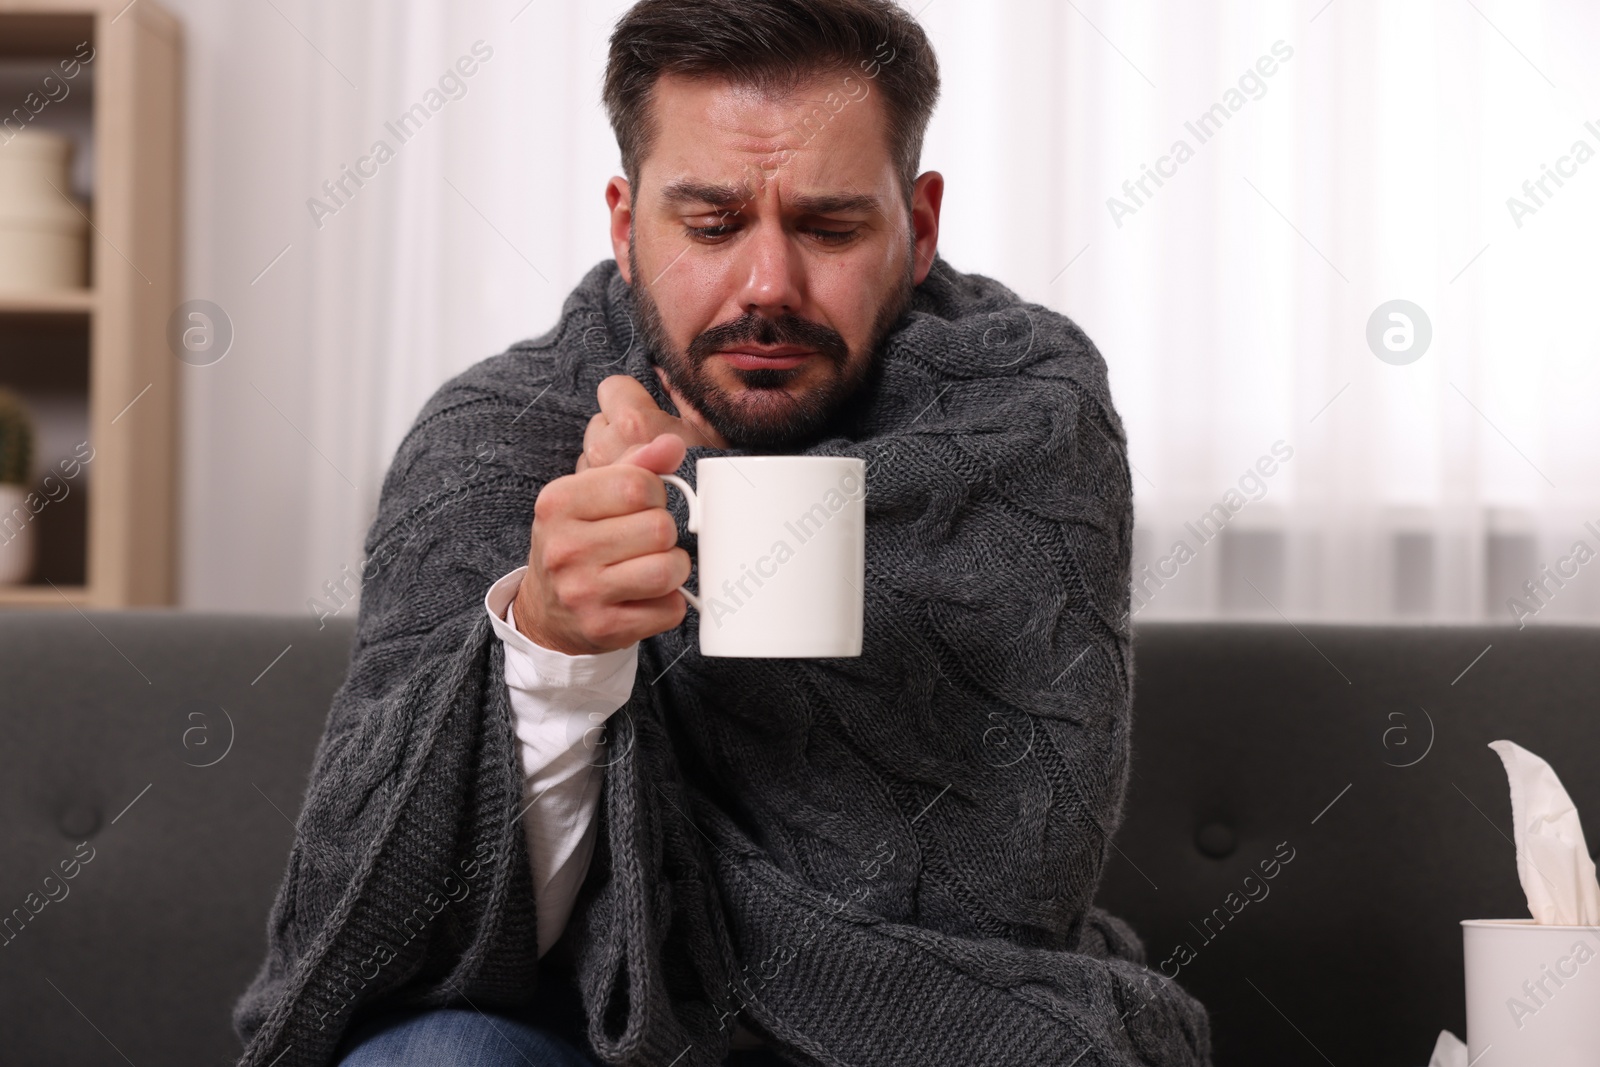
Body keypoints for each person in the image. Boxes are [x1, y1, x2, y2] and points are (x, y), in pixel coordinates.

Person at [233, 2, 1212, 1065]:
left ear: (919, 226)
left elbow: (1016, 880)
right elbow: (395, 930)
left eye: (830, 227)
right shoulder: (500, 437)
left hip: (934, 1015)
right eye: (709, 224)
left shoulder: (1028, 415)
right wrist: (555, 646)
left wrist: (700, 491)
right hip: (571, 1024)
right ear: (622, 223)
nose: (766, 287)